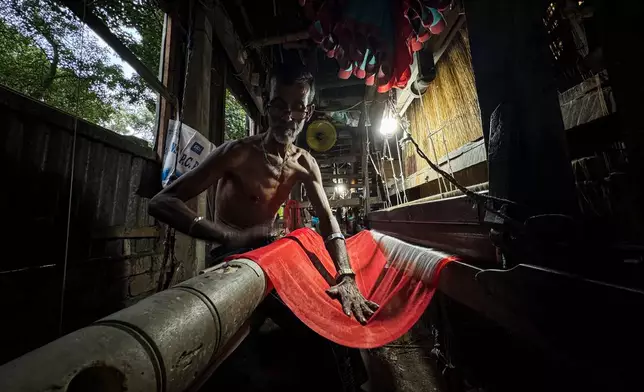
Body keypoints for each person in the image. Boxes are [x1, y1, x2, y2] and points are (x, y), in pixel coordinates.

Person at [149, 63, 379, 324]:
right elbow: (162, 201)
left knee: (327, 301)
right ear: (267, 105)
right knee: (307, 323)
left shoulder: (305, 163)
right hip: (230, 258)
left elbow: (327, 220)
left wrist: (346, 275)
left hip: (270, 254)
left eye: (297, 107)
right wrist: (228, 235)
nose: (287, 116)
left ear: (309, 112)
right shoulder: (237, 153)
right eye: (279, 105)